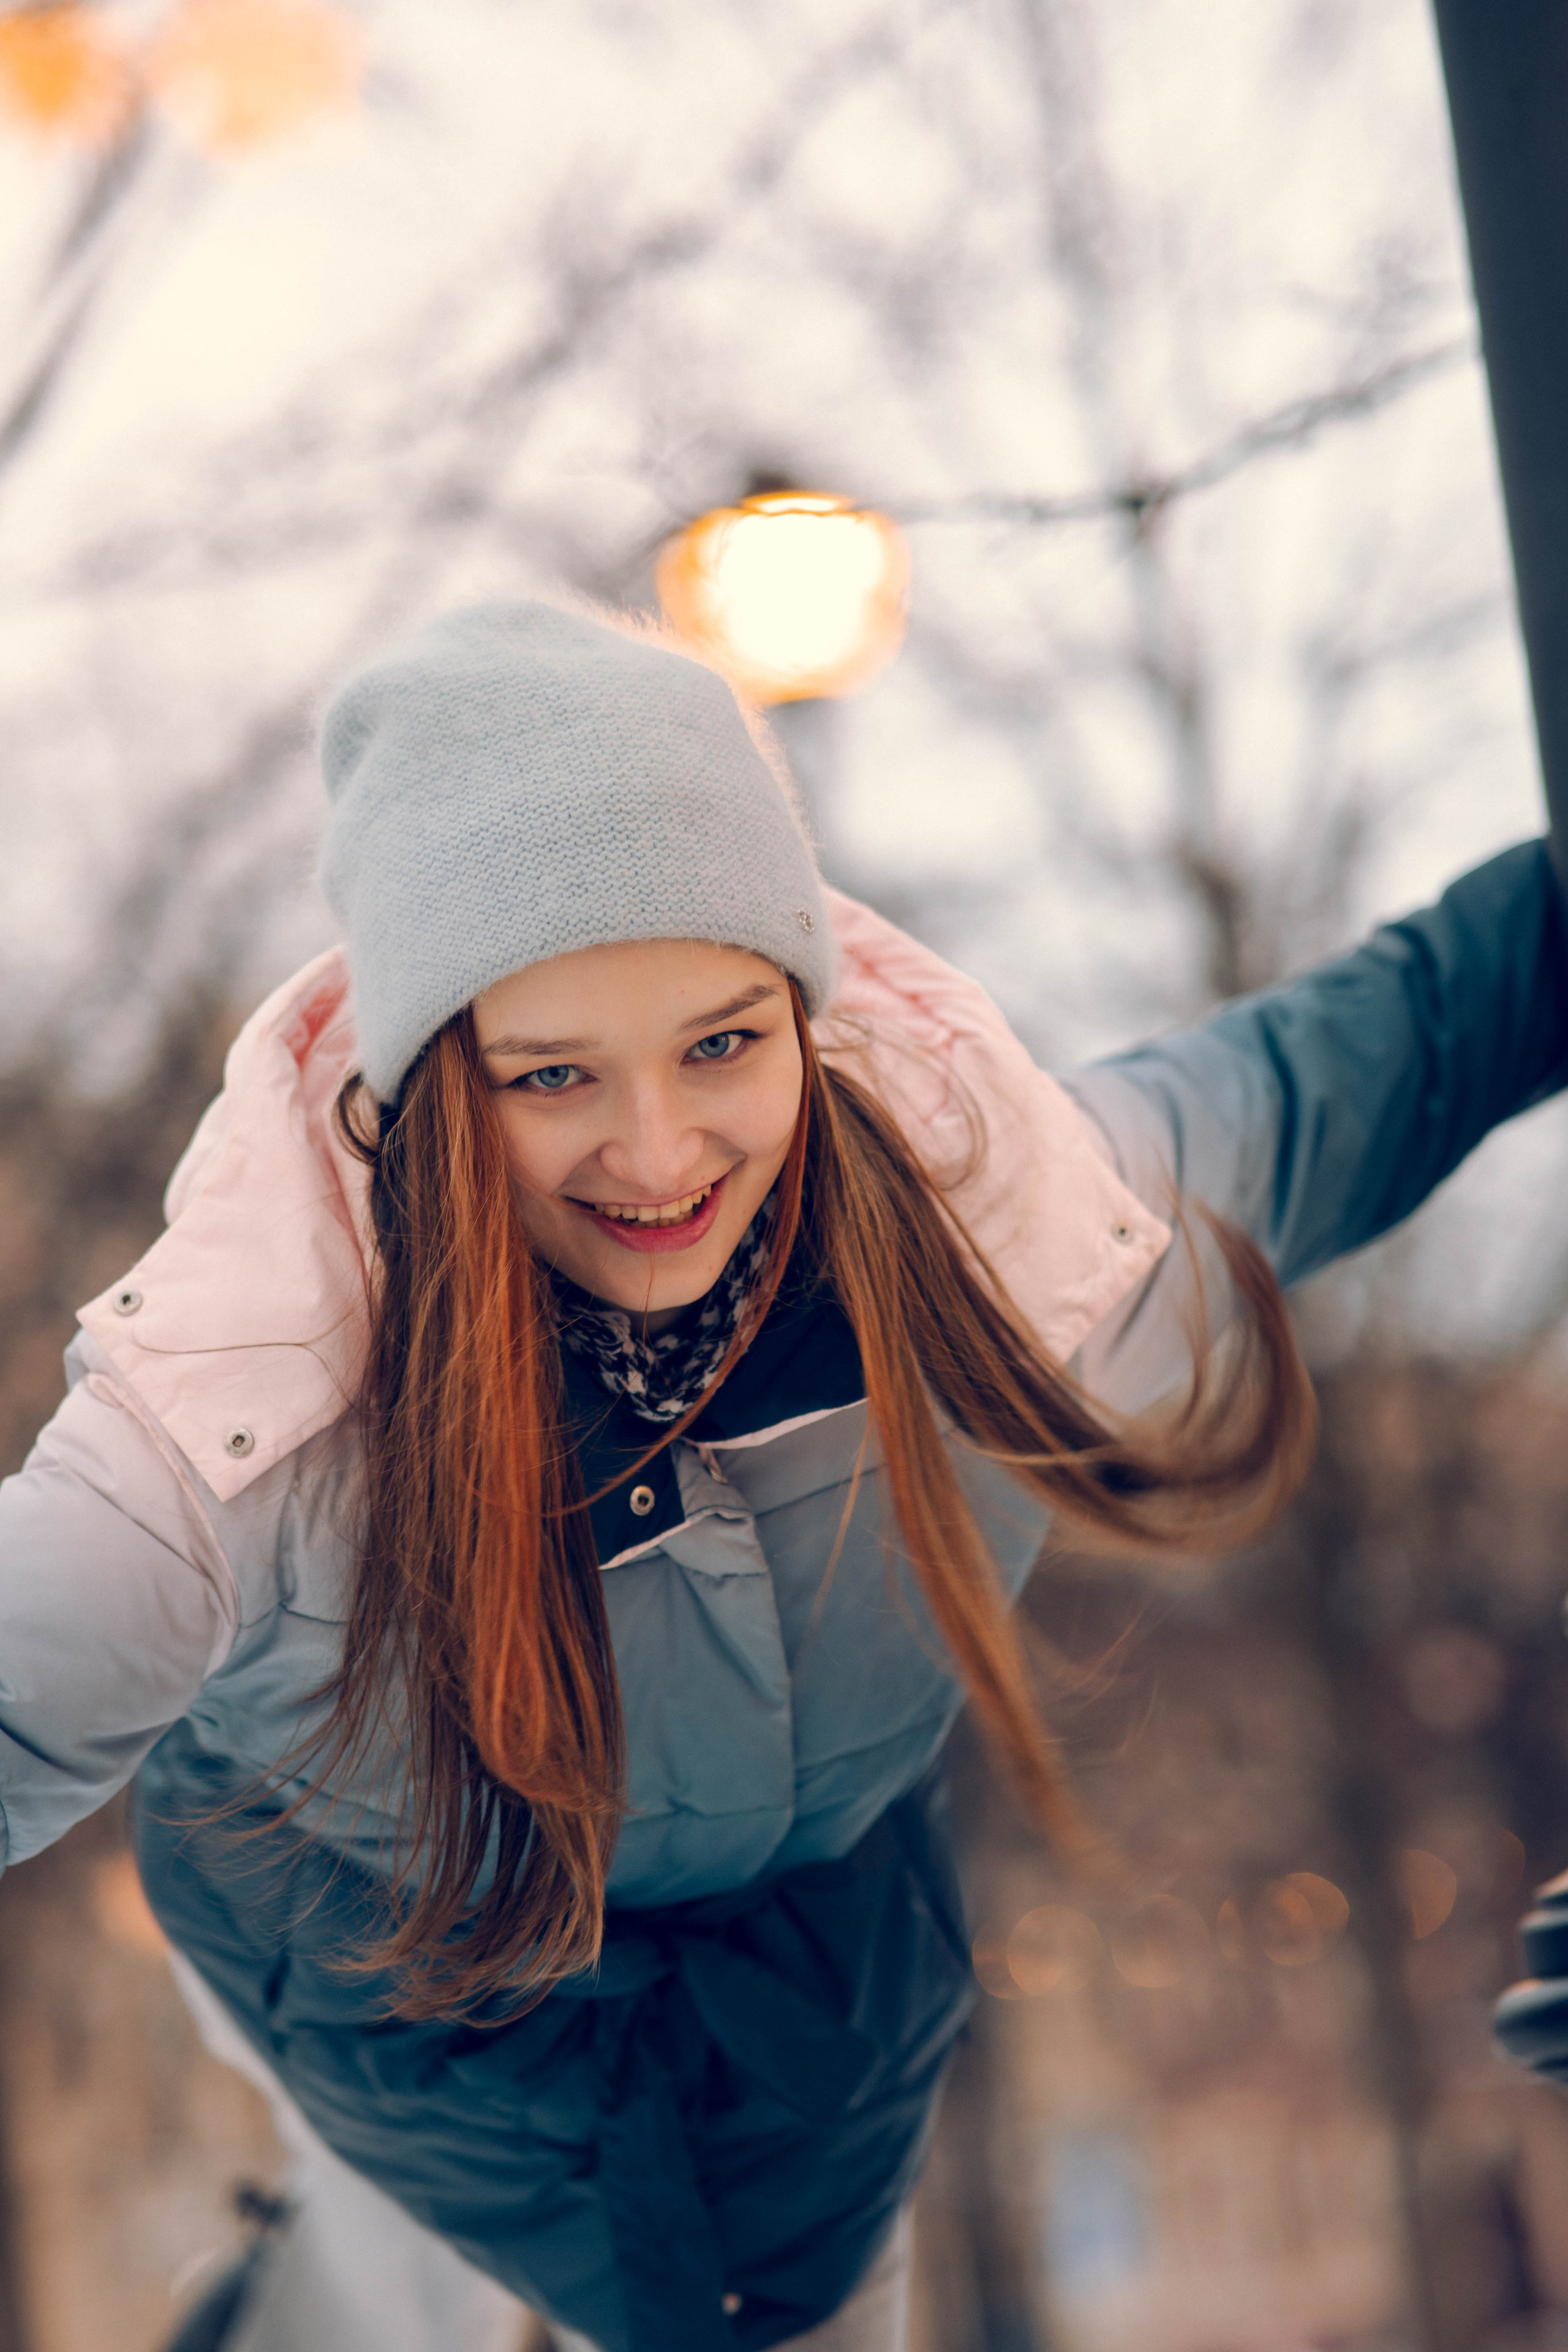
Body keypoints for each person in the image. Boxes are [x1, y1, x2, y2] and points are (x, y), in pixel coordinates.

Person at [2, 601, 1566, 2352]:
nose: (661, 1151)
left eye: (723, 1044)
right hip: (381, 1934)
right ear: (444, 1086)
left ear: (802, 1020)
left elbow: (1387, 1053)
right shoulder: (247, 1408)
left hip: (804, 1924)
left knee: (786, 2301)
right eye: (552, 1077)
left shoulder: (1014, 1236)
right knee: (428, 2276)